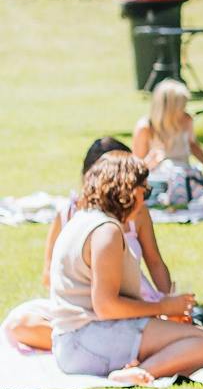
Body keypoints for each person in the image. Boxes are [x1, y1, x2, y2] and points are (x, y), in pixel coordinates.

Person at [43, 152, 203, 384]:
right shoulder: (106, 230)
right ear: (127, 191)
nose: (144, 199)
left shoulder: (81, 220)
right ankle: (140, 372)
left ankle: (136, 365)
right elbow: (106, 307)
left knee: (194, 339)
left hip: (73, 343)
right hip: (89, 340)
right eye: (143, 190)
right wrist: (164, 305)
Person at [5, 137, 174, 353]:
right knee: (19, 323)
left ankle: (98, 345)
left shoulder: (136, 214)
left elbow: (155, 262)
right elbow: (49, 276)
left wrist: (169, 304)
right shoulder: (68, 213)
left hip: (131, 300)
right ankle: (94, 344)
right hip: (82, 306)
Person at [132, 79, 203, 182]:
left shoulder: (186, 120)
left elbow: (193, 145)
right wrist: (152, 161)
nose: (184, 110)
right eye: (181, 107)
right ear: (168, 109)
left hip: (184, 177)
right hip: (158, 182)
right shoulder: (146, 128)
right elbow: (136, 168)